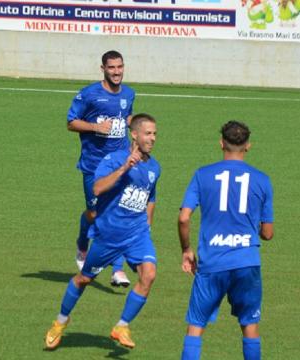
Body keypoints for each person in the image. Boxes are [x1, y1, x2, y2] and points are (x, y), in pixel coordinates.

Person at [45, 114, 160, 350]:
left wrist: (148, 220)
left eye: (155, 134)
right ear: (134, 134)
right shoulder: (114, 158)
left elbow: (151, 196)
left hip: (137, 235)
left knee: (148, 275)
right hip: (109, 236)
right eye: (148, 133)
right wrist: (124, 167)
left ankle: (122, 325)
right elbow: (97, 188)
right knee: (84, 279)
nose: (153, 138)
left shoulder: (154, 166)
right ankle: (60, 321)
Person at [178, 121, 274, 360]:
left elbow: (183, 218)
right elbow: (268, 233)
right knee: (250, 326)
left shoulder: (202, 175)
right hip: (246, 262)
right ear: (248, 146)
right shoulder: (262, 180)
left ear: (221, 143)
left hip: (212, 263)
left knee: (196, 327)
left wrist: (187, 249)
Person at [67, 50, 135, 287]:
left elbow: (126, 116)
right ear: (103, 69)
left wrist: (134, 127)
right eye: (111, 68)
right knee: (94, 214)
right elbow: (71, 122)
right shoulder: (89, 94)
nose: (116, 72)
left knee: (116, 214)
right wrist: (95, 127)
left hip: (120, 164)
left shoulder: (129, 93)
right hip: (94, 166)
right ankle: (82, 245)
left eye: (120, 67)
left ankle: (117, 270)